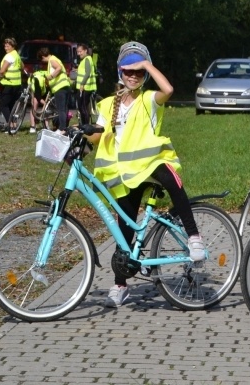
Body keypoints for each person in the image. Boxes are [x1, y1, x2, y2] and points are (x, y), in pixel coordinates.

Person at [87, 41, 204, 308]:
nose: (133, 75)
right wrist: (76, 130)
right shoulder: (107, 104)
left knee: (171, 178)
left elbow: (169, 89)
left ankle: (194, 235)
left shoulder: (149, 98)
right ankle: (119, 285)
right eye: (128, 70)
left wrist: (147, 63)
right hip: (125, 175)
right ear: (119, 72)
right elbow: (96, 135)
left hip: (151, 165)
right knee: (124, 229)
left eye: (138, 72)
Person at [38, 47, 71, 133]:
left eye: (42, 60)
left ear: (43, 56)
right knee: (64, 109)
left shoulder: (52, 60)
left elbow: (59, 68)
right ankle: (65, 127)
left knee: (61, 109)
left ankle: (62, 128)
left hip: (59, 87)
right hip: (66, 86)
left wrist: (50, 76)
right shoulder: (56, 58)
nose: (43, 62)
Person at [0, 37, 23, 132]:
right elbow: (22, 66)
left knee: (3, 105)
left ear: (12, 46)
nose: (5, 48)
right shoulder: (17, 55)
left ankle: (10, 124)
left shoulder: (9, 56)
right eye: (5, 46)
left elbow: (2, 70)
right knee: (11, 106)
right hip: (17, 84)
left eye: (7, 46)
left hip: (8, 84)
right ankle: (14, 124)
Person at [75, 43, 97, 125]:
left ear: (85, 51)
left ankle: (86, 125)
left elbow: (87, 73)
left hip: (85, 88)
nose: (78, 54)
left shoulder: (87, 59)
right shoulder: (85, 60)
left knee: (83, 107)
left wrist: (82, 84)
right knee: (81, 107)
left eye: (80, 51)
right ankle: (84, 124)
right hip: (84, 87)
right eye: (77, 52)